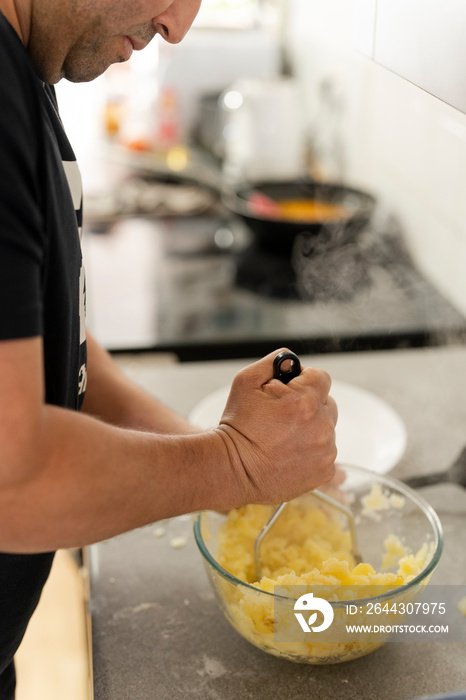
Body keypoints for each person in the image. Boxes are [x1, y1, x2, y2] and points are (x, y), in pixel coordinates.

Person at [0, 0, 338, 696]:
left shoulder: (25, 72)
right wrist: (232, 467)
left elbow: (55, 345)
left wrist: (222, 456)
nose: (178, 27)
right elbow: (11, 482)